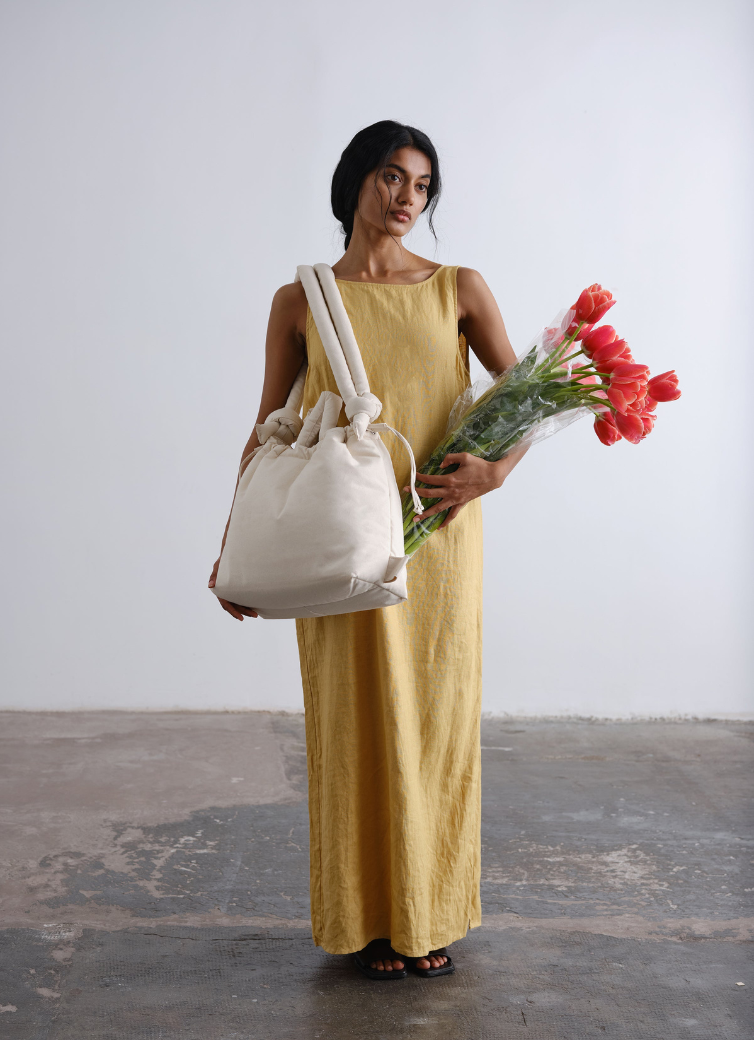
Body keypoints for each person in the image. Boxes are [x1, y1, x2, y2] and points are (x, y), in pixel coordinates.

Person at [208, 120, 528, 980]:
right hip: (337, 544)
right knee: (350, 721)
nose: (406, 197)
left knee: (436, 720)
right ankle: (366, 921)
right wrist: (232, 545)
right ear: (356, 179)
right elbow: (267, 431)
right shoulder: (301, 299)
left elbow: (526, 394)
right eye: (391, 176)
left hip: (437, 538)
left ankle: (428, 915)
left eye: (422, 185)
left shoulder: (459, 288)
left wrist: (493, 474)